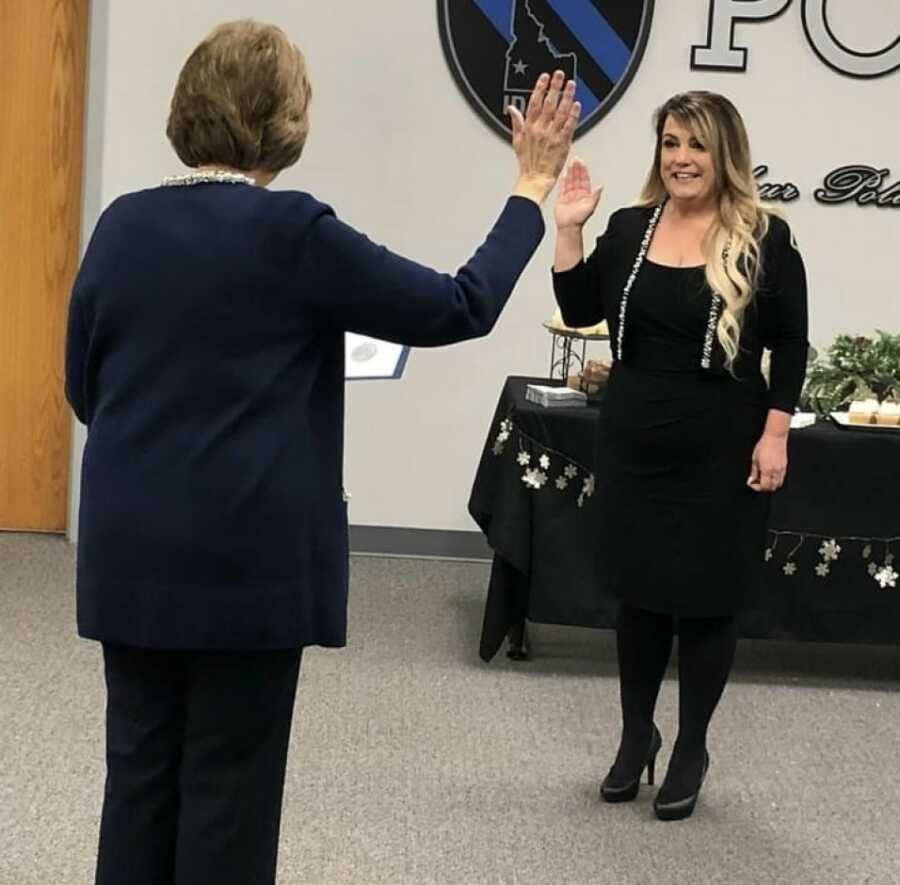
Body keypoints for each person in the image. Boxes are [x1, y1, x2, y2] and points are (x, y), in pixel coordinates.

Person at [65, 20, 579, 884]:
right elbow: (461, 304)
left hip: (131, 555)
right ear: (284, 120)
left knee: (140, 782)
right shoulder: (295, 232)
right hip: (247, 564)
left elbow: (86, 387)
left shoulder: (121, 225)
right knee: (229, 794)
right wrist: (531, 187)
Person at [552, 91, 809, 821]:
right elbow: (579, 311)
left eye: (695, 145)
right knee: (638, 595)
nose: (680, 159)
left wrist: (777, 429)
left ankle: (692, 744)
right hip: (632, 435)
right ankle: (638, 735)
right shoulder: (632, 226)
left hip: (721, 440)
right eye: (670, 143)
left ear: (723, 152)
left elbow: (790, 342)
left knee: (704, 599)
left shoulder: (765, 235)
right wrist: (569, 230)